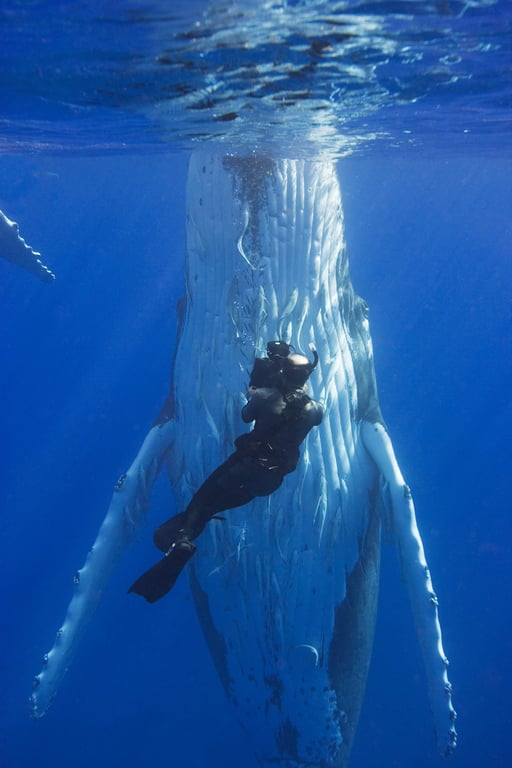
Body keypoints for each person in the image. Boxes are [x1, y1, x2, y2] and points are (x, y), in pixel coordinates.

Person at [129, 341, 324, 603]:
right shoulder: (315, 410)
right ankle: (179, 539)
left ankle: (183, 541)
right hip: (271, 480)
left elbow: (246, 416)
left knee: (202, 502)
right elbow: (304, 408)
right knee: (214, 507)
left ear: (281, 373)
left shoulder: (265, 397)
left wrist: (256, 392)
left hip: (243, 466)